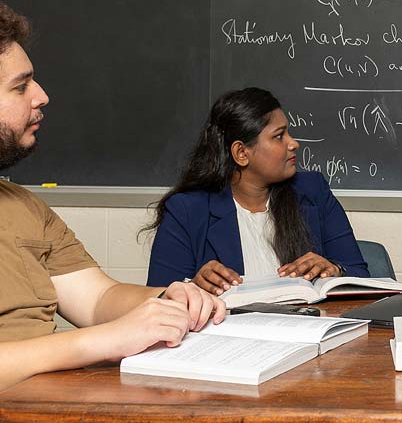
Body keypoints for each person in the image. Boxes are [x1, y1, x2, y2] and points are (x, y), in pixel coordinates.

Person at [0, 0, 265, 423]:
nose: (42, 97)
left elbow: (97, 299)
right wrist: (96, 343)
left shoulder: (17, 204)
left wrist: (169, 299)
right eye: (20, 86)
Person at [146, 87, 368, 294]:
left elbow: (361, 275)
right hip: (229, 333)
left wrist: (335, 269)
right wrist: (192, 287)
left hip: (308, 330)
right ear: (241, 153)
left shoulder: (313, 190)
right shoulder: (186, 211)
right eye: (279, 136)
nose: (293, 143)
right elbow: (158, 297)